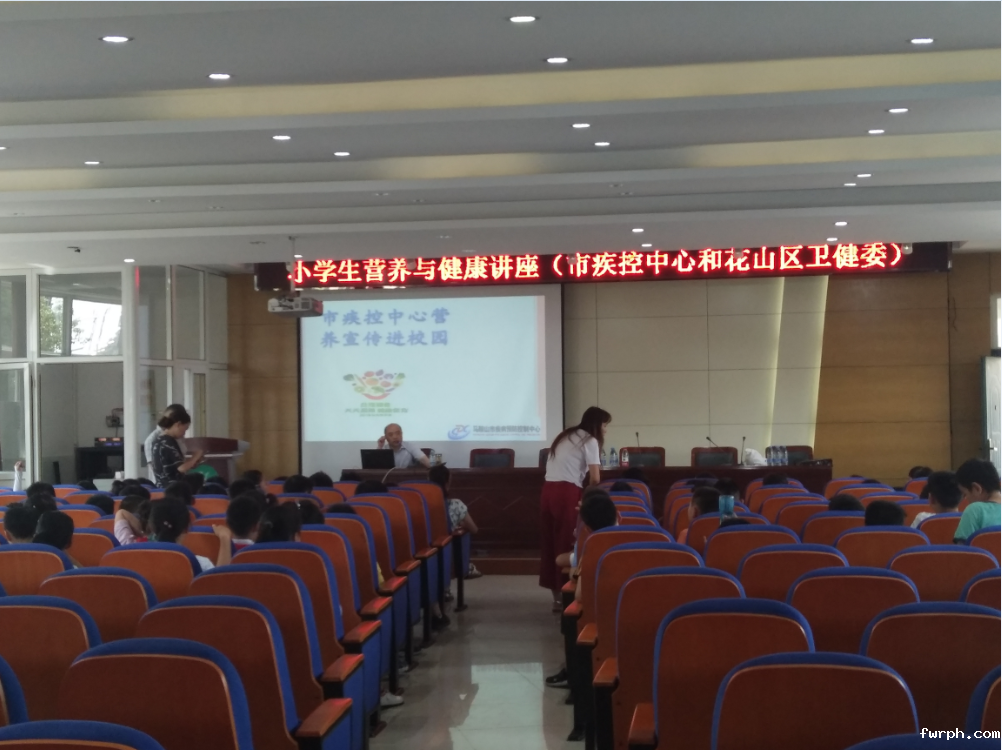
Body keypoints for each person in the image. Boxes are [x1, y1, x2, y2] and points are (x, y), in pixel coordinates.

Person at [539, 406, 610, 611]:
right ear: (597, 424)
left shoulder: (565, 436)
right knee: (567, 541)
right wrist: (589, 496)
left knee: (551, 542)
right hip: (566, 492)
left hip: (548, 491)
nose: (605, 430)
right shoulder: (589, 440)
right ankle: (568, 597)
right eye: (605, 425)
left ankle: (556, 599)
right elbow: (595, 478)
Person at [428, 464, 482, 579]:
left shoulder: (420, 505)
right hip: (448, 554)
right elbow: (474, 529)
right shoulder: (456, 505)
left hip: (425, 554)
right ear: (447, 484)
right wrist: (461, 524)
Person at [148, 499, 231, 571]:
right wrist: (225, 538)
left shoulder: (141, 557)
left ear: (152, 527)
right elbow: (218, 581)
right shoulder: (198, 563)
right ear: (186, 528)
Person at [150, 406, 204, 487]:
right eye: (185, 429)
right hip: (172, 487)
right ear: (178, 424)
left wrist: (192, 462)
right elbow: (181, 468)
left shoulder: (157, 440)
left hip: (160, 486)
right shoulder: (168, 442)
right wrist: (196, 455)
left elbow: (172, 466)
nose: (184, 433)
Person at [954, 458, 1002, 543]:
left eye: (965, 494)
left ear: (976, 488)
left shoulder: (975, 510)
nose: (965, 499)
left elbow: (961, 549)